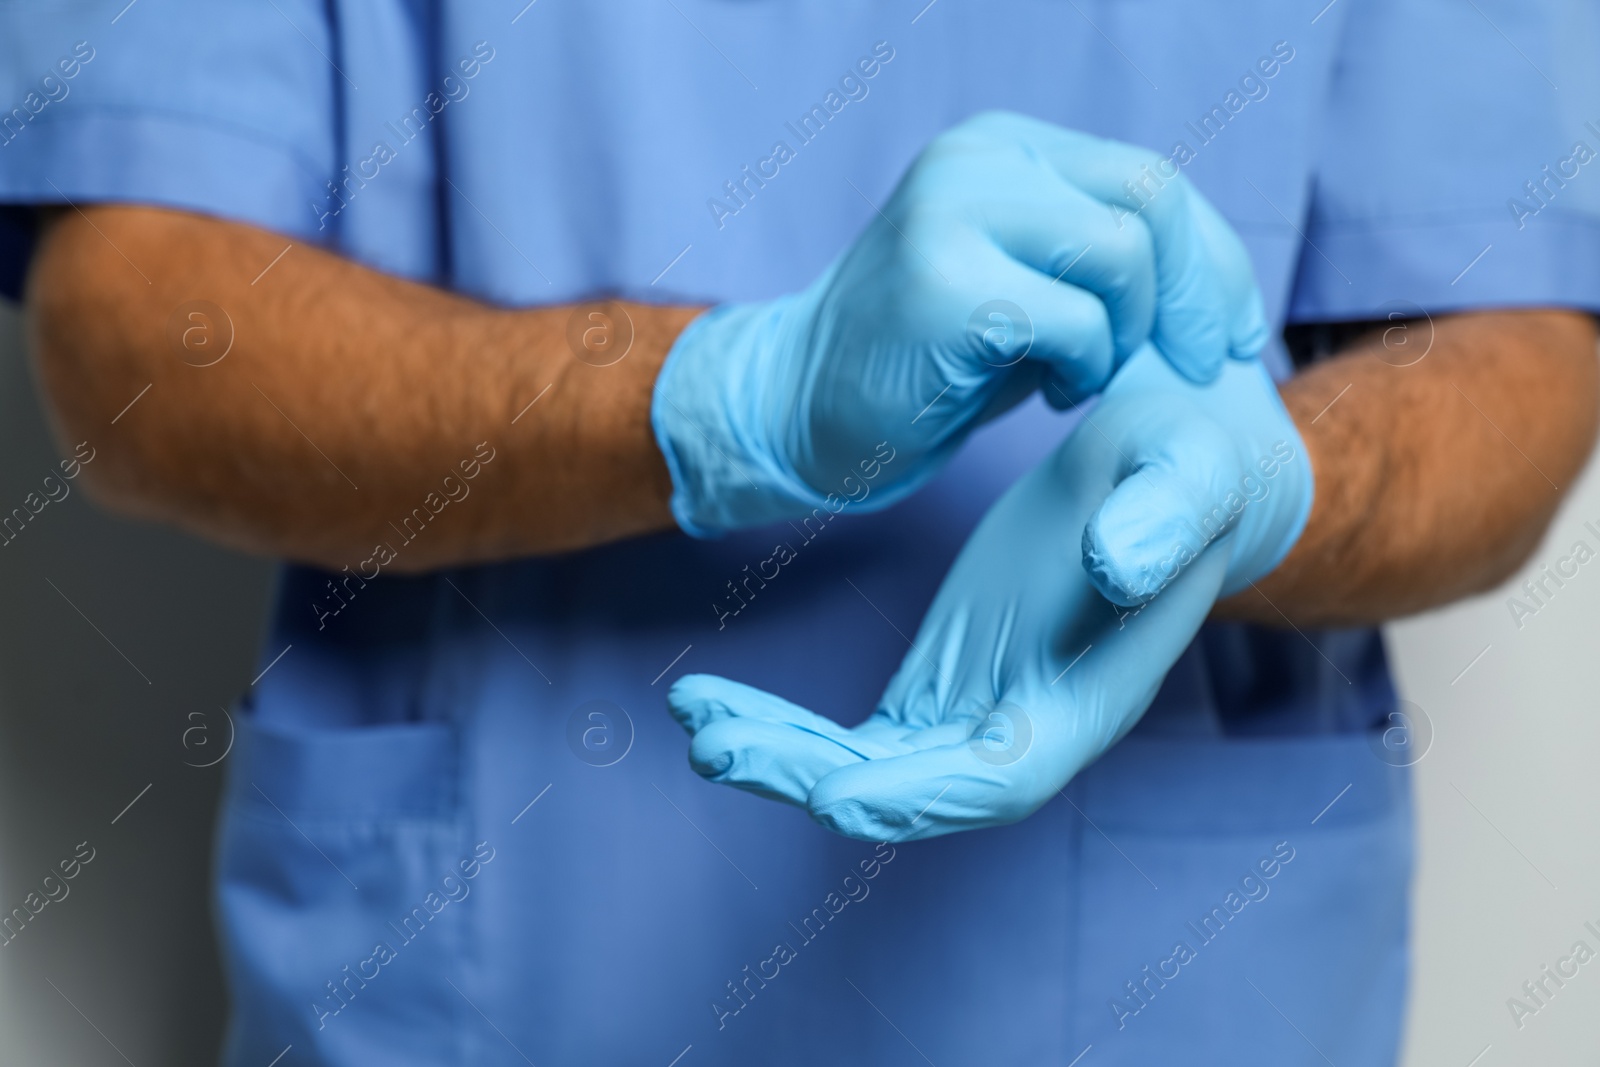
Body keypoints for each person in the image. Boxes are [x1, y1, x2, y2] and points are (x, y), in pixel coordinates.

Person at [3, 2, 1596, 1064]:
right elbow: (140, 325)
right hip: (513, 954)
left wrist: (1250, 489)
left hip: (1167, 986)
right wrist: (722, 397)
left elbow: (1514, 341)